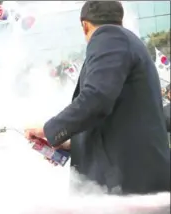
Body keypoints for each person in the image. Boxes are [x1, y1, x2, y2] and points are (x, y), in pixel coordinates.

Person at [24, 1, 170, 195]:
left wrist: (49, 129)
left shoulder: (108, 39)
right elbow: (118, 115)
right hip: (132, 178)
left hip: (126, 184)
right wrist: (72, 145)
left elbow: (96, 99)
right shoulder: (126, 41)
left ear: (85, 25)